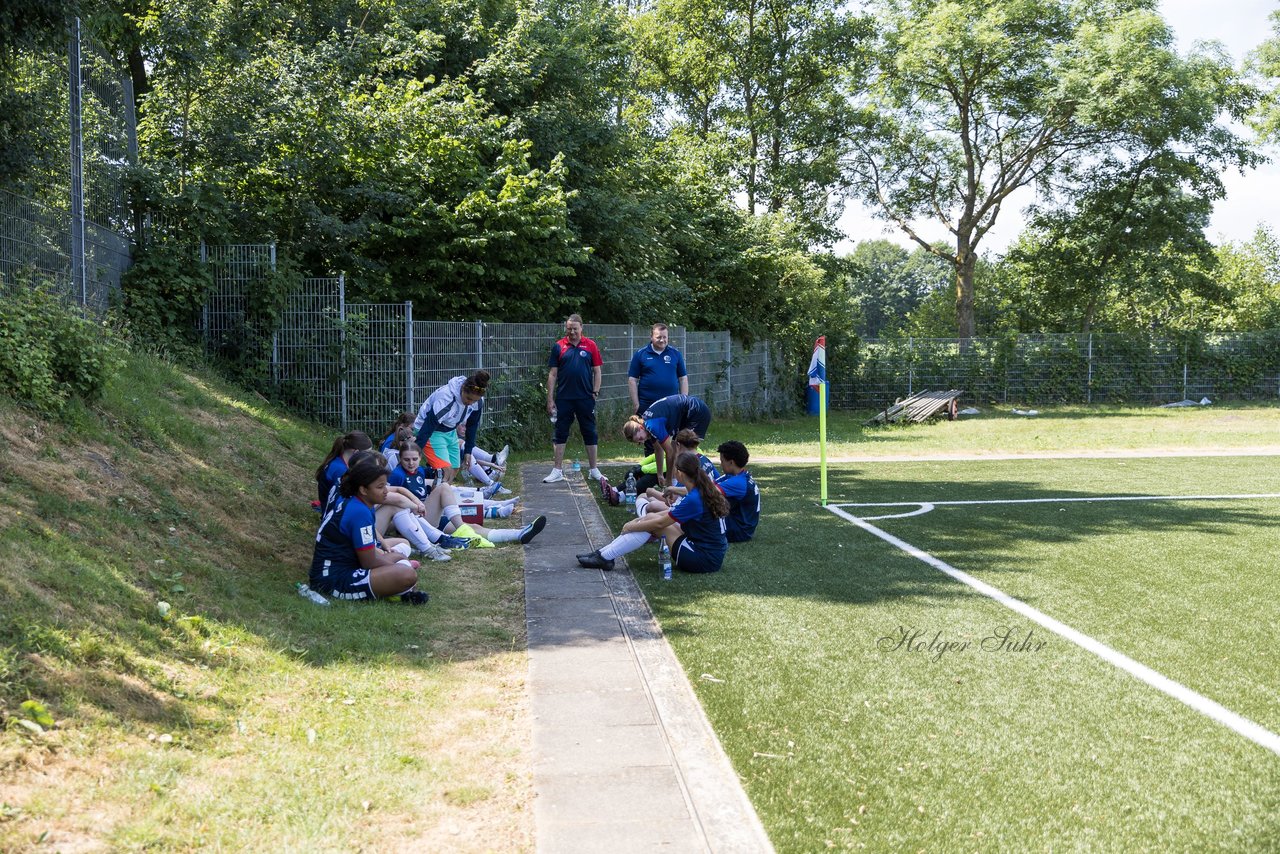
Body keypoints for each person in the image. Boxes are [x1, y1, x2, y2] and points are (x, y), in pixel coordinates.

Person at [577, 452, 728, 573]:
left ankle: (605, 557)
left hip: (703, 558)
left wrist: (631, 526)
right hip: (706, 551)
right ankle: (602, 554)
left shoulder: (694, 498)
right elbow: (666, 515)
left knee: (653, 525)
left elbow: (661, 523)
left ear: (680, 473)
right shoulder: (699, 489)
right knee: (649, 519)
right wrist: (639, 521)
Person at [309, 454, 430, 604]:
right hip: (332, 579)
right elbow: (368, 562)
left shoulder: (361, 503)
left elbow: (369, 553)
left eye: (385, 485)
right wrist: (396, 568)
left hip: (345, 567)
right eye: (380, 487)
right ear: (363, 490)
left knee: (400, 557)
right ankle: (397, 588)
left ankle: (395, 586)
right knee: (407, 574)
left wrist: (394, 562)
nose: (386, 491)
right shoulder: (359, 511)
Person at [544, 314, 605, 483]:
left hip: (585, 398)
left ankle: (594, 470)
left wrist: (595, 392)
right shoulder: (559, 346)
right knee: (560, 432)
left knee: (590, 432)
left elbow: (597, 371)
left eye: (575, 328)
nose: (572, 332)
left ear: (581, 328)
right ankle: (557, 470)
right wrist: (550, 398)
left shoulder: (591, 345)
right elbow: (553, 373)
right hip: (564, 398)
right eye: (569, 328)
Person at [414, 370, 489, 484]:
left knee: (454, 468)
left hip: (449, 430)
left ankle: (442, 496)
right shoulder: (446, 399)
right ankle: (435, 499)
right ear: (463, 388)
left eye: (474, 400)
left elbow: (472, 425)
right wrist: (415, 452)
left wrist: (468, 451)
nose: (470, 403)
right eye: (468, 398)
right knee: (445, 471)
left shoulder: (477, 402)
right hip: (430, 430)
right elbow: (428, 427)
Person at [621, 394, 712, 487]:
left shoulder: (652, 425)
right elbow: (658, 449)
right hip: (685, 414)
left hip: (697, 411)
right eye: (640, 442)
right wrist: (659, 474)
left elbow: (670, 452)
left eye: (640, 438)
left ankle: (698, 482)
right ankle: (677, 484)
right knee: (676, 446)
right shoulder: (647, 424)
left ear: (640, 427)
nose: (643, 441)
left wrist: (668, 480)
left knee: (686, 449)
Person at [627, 323, 688, 455]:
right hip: (648, 406)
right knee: (651, 443)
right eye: (659, 337)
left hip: (671, 407)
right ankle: (653, 473)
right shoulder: (641, 354)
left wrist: (684, 400)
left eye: (665, 337)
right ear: (651, 337)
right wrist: (636, 403)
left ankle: (673, 472)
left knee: (673, 441)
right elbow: (632, 380)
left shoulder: (675, 354)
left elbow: (683, 378)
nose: (662, 340)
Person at [715, 440, 760, 542]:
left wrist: (673, 490)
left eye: (722, 461)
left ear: (731, 462)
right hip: (740, 525)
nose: (721, 464)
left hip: (739, 531)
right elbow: (707, 486)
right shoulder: (741, 475)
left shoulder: (738, 482)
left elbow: (704, 491)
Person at [315, 431, 374, 507]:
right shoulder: (341, 470)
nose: (369, 457)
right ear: (356, 452)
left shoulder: (338, 461)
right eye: (367, 454)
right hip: (334, 511)